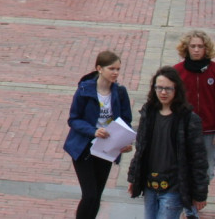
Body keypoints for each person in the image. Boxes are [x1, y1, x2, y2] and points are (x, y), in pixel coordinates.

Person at [127, 66, 209, 219]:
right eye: (159, 88)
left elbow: (198, 160)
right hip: (150, 186)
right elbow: (140, 150)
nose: (163, 92)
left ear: (176, 89)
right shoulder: (149, 114)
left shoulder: (189, 119)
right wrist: (134, 177)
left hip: (174, 188)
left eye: (168, 89)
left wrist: (200, 193)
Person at [64, 50, 133, 219]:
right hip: (84, 148)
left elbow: (126, 120)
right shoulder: (84, 90)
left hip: (107, 148)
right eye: (112, 69)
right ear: (99, 68)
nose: (116, 73)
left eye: (118, 69)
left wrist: (124, 142)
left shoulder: (120, 92)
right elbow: (74, 119)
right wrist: (93, 131)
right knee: (90, 195)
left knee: (96, 197)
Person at [175, 30, 215, 216]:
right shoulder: (177, 72)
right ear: (187, 48)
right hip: (185, 130)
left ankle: (196, 197)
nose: (197, 50)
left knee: (206, 169)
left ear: (206, 48)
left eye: (200, 46)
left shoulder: (214, 71)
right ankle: (189, 206)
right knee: (185, 166)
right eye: (193, 46)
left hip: (209, 130)